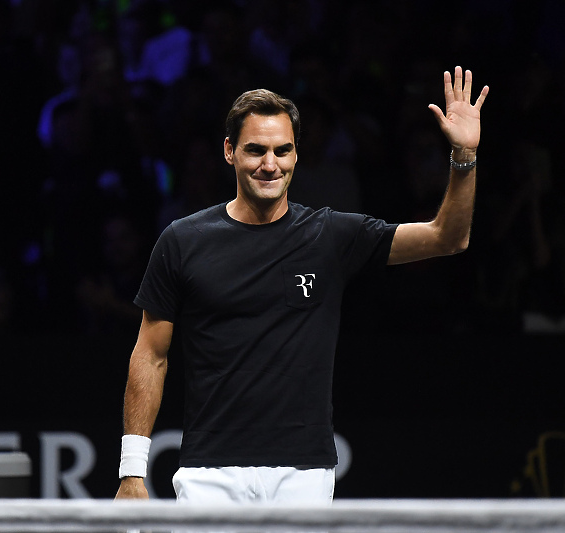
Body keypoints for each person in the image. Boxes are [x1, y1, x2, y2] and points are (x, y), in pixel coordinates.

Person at [115, 66, 488, 503]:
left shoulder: (331, 236)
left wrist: (464, 157)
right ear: (229, 151)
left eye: (282, 150)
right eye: (255, 150)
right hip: (208, 471)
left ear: (296, 155)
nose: (270, 165)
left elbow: (449, 237)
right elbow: (151, 355)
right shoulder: (182, 240)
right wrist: (132, 471)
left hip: (304, 472)